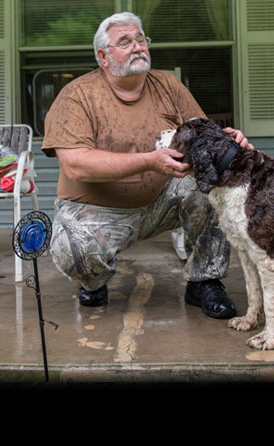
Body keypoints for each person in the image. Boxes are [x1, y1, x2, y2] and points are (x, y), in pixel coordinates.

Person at [41, 12, 253, 319]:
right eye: (125, 42)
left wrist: (234, 145)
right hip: (96, 210)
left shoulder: (167, 84)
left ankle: (204, 280)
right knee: (71, 248)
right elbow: (75, 165)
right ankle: (93, 280)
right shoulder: (76, 96)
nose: (138, 46)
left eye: (141, 39)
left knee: (213, 179)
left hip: (160, 201)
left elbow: (204, 135)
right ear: (103, 56)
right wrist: (149, 162)